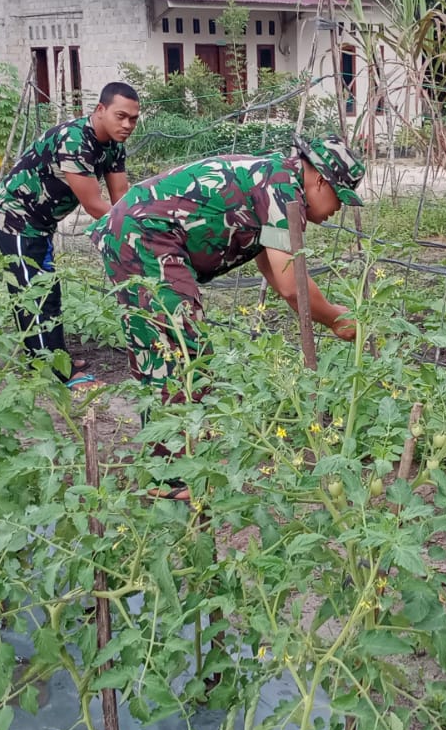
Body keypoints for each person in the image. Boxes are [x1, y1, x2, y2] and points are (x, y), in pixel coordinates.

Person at [91, 135, 365, 499]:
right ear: (319, 181)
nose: (335, 211)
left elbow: (272, 265)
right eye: (338, 199)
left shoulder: (277, 180)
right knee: (182, 351)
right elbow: (290, 283)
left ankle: (165, 467)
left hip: (137, 231)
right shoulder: (284, 190)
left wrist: (326, 312)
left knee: (164, 351)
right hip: (144, 236)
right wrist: (333, 318)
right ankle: (171, 478)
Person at [0, 81, 140, 385]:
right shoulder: (74, 140)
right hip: (17, 215)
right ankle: (52, 371)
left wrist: (141, 220)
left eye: (133, 119)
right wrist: (142, 232)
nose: (127, 125)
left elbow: (120, 197)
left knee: (47, 286)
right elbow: (95, 205)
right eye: (120, 116)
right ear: (100, 110)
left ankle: (52, 354)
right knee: (34, 292)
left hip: (41, 220)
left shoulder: (113, 144)